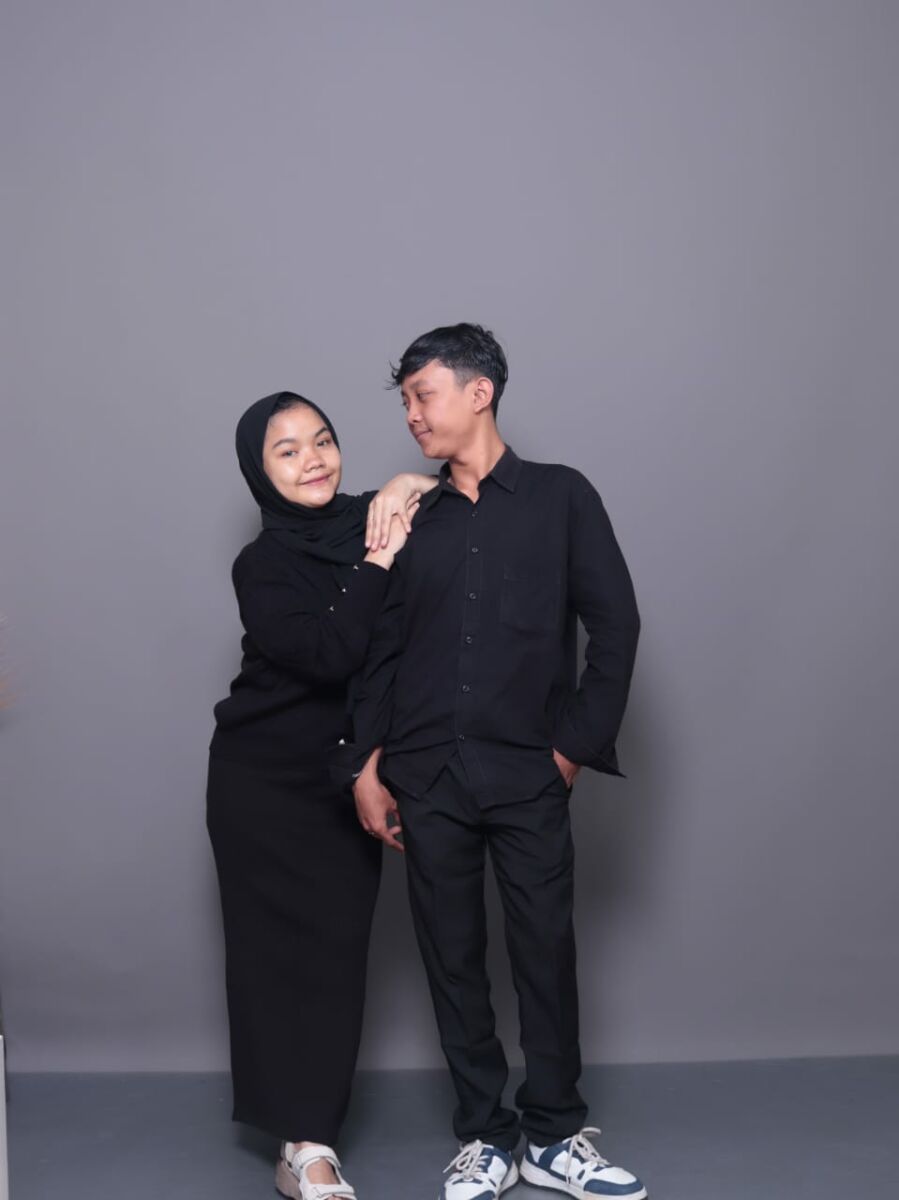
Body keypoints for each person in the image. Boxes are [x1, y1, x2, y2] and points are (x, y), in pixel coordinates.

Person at [348, 325, 647, 1200]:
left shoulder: (562, 497)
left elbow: (616, 627)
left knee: (544, 951)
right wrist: (366, 766)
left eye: (423, 395)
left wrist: (571, 751)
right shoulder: (411, 516)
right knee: (451, 957)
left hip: (527, 773)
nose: (411, 415)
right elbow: (380, 651)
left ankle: (553, 1136)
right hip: (425, 775)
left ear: (478, 393)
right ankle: (484, 1135)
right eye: (404, 401)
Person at [206, 390, 435, 1200]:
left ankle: (315, 1129)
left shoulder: (374, 517)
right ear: (258, 471)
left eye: (322, 441)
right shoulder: (261, 564)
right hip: (261, 779)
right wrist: (378, 561)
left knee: (336, 958)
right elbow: (331, 653)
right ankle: (302, 1149)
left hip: (348, 773)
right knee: (271, 961)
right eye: (288, 450)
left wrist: (403, 483)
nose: (313, 460)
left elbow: (454, 495)